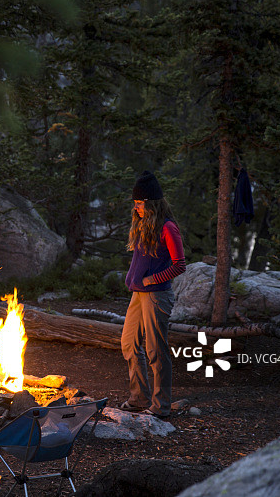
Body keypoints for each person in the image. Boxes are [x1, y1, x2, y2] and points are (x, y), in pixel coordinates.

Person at [119, 170, 186, 418]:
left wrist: (151, 279)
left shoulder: (168, 228)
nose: (135, 208)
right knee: (129, 343)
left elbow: (180, 265)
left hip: (157, 295)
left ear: (151, 203)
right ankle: (139, 398)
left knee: (156, 350)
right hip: (138, 295)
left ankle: (161, 405)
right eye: (135, 203)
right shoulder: (142, 225)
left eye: (139, 203)